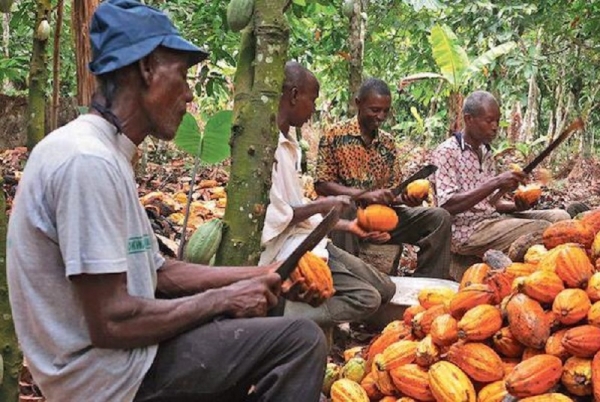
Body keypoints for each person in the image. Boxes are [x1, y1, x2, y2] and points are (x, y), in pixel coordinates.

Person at [6, 2, 328, 401]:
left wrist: (264, 273)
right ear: (146, 69)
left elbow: (159, 273)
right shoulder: (85, 161)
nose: (190, 93)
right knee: (300, 341)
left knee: (265, 310)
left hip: (124, 360)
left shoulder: (104, 152)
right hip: (109, 379)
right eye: (183, 75)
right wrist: (223, 298)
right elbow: (112, 321)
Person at [259, 62, 396, 327]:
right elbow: (278, 216)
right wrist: (326, 204)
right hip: (287, 250)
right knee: (366, 299)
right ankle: (278, 317)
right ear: (295, 95)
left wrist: (350, 225)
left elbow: (294, 208)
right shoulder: (267, 148)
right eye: (313, 100)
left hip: (310, 239)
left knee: (386, 289)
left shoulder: (291, 144)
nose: (314, 109)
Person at [314, 78, 452, 279]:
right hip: (348, 219)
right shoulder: (334, 135)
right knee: (344, 208)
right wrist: (366, 195)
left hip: (381, 217)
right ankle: (349, 280)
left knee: (440, 218)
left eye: (385, 111)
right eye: (375, 110)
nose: (380, 116)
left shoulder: (387, 142)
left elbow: (392, 191)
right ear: (358, 103)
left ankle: (427, 283)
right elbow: (322, 184)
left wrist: (405, 198)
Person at [431, 90, 570, 275]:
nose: (495, 127)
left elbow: (491, 204)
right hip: (467, 231)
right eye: (489, 121)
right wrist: (496, 182)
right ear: (469, 119)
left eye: (497, 120)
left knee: (560, 218)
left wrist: (516, 205)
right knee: (544, 231)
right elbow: (447, 205)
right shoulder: (447, 152)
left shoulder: (486, 152)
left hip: (491, 221)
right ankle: (524, 277)